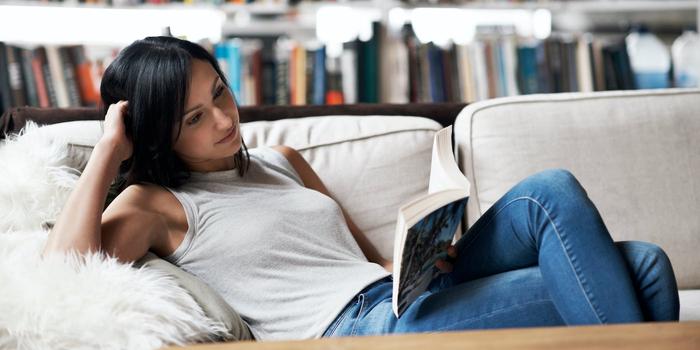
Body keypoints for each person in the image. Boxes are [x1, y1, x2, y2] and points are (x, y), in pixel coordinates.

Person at [41, 36, 680, 342]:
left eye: (220, 94)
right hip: (361, 331)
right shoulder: (154, 205)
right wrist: (107, 148)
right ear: (154, 134)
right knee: (643, 272)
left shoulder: (282, 160)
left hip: (403, 297)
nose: (226, 120)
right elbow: (62, 277)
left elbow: (368, 259)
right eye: (193, 118)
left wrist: (428, 257)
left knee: (552, 193)